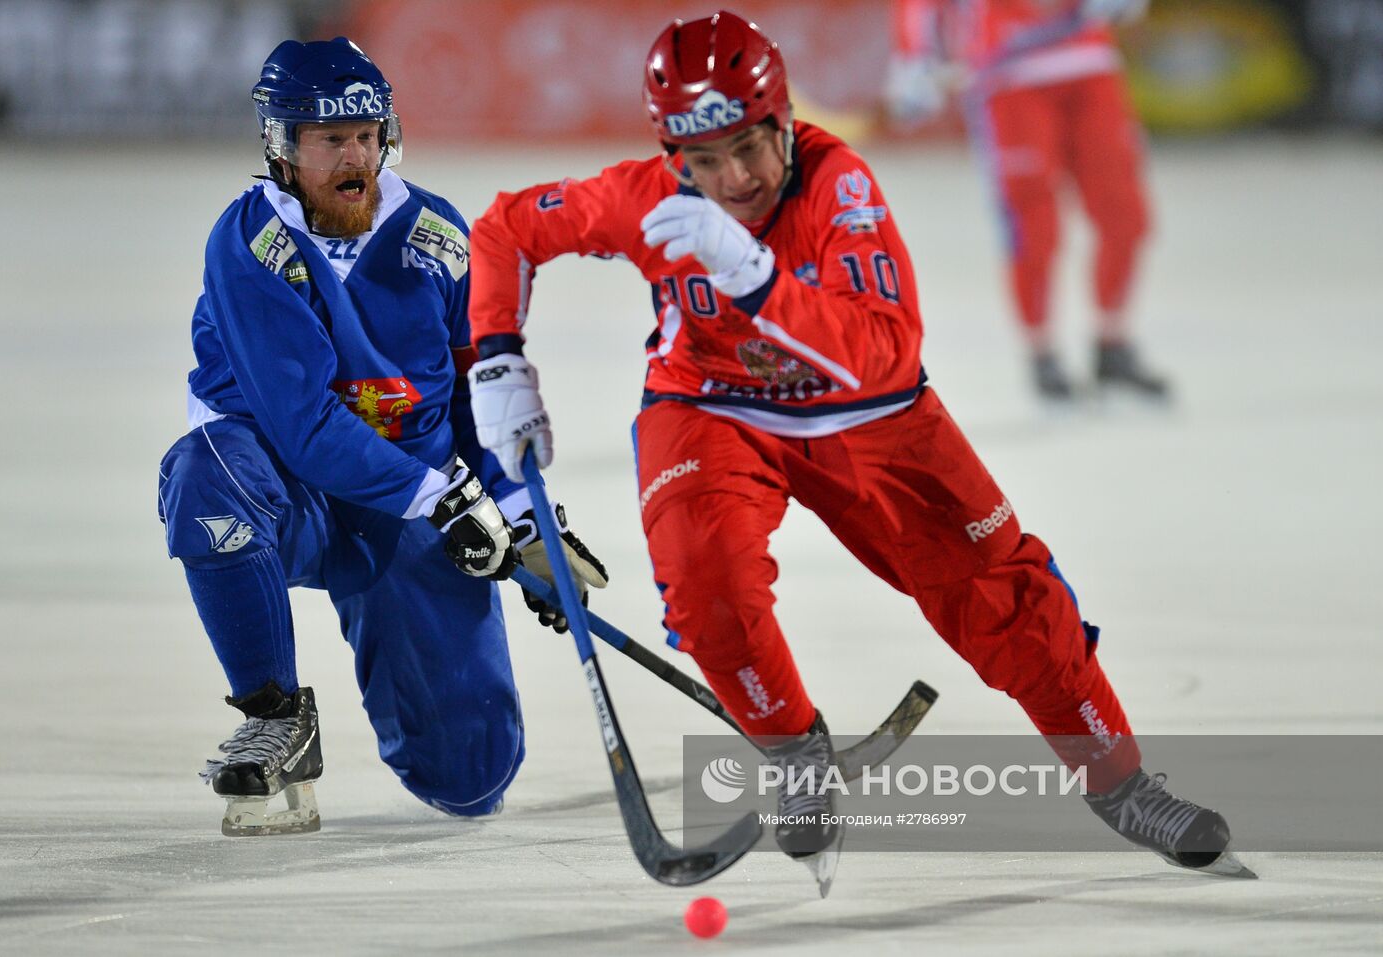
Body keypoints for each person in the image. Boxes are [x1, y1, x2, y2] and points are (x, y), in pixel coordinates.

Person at [465, 10, 1243, 879]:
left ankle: (1120, 781)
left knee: (1007, 604)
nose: (731, 179)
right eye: (703, 160)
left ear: (785, 121)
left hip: (868, 414)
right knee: (704, 580)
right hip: (713, 406)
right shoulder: (648, 195)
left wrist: (756, 279)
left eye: (747, 149)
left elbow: (885, 353)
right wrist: (497, 358)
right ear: (671, 150)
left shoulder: (843, 191)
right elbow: (506, 228)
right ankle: (795, 751)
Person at [157, 37, 606, 836]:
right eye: (331, 140)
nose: (354, 155)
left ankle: (449, 745)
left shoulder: (438, 235)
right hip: (291, 490)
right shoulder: (249, 243)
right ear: (283, 149)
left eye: (366, 134)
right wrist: (446, 499)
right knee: (203, 479)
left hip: (409, 501)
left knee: (471, 778)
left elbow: (474, 398)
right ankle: (274, 712)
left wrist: (524, 514)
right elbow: (301, 427)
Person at [885, 0, 1169, 401]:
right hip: (1010, 77)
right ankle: (1042, 354)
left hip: (1088, 63)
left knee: (1125, 215)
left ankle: (1113, 345)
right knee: (1032, 224)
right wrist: (915, 59)